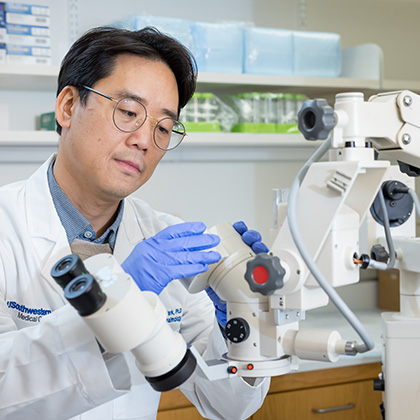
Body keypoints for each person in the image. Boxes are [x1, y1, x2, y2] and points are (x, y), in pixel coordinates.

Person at [0, 26, 270, 420]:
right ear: (69, 106)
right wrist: (117, 301)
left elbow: (228, 405)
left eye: (163, 127)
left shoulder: (165, 242)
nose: (145, 140)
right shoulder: (7, 228)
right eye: (128, 112)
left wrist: (241, 318)